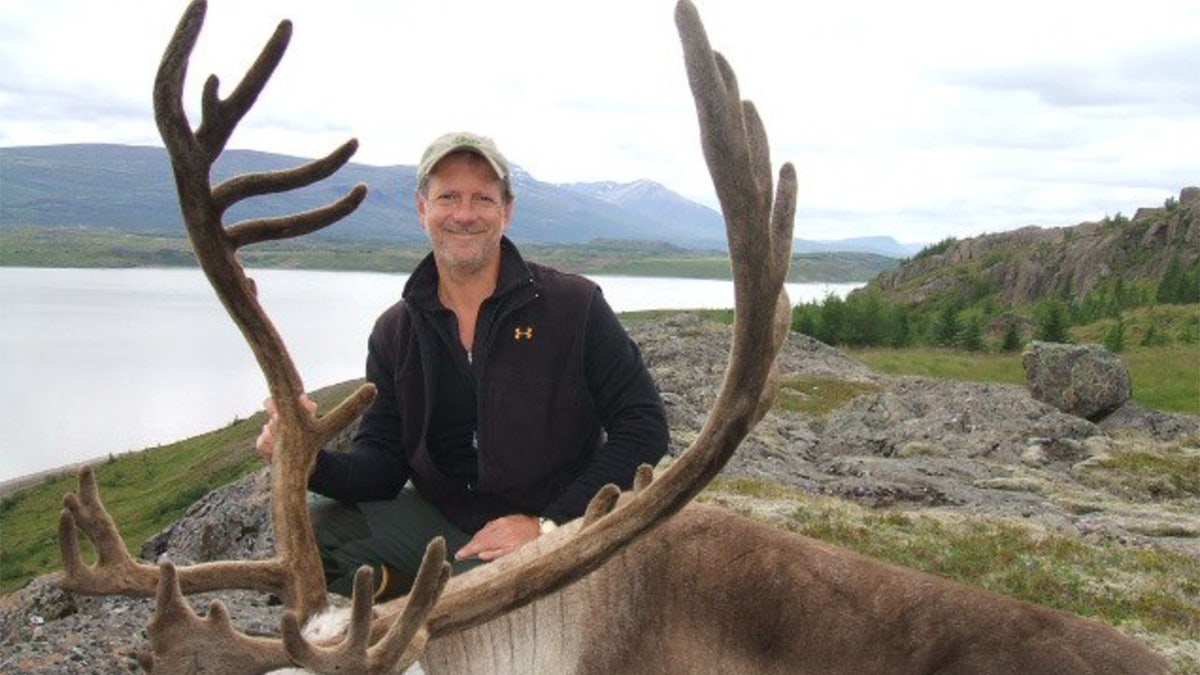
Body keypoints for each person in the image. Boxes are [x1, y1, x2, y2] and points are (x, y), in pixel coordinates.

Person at [256, 131, 669, 599]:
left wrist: (549, 523)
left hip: (557, 530)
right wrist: (306, 458)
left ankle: (447, 602)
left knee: (501, 607)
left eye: (483, 199)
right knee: (312, 534)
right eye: (448, 197)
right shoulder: (396, 331)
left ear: (506, 211)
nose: (465, 215)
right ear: (422, 209)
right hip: (452, 526)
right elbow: (383, 464)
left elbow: (644, 426)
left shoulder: (574, 306)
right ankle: (418, 592)